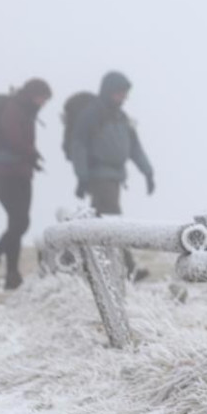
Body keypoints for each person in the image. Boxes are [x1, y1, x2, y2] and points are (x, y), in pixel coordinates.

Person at [69, 71, 155, 279]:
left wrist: (147, 172)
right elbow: (78, 145)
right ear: (108, 91)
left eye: (125, 93)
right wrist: (82, 176)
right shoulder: (92, 114)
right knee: (112, 221)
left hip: (115, 177)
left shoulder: (121, 117)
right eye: (120, 93)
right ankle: (128, 268)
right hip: (99, 176)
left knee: (101, 222)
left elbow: (134, 148)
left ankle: (90, 267)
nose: (123, 97)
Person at [0, 78, 52, 290]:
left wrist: (32, 158)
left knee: (17, 223)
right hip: (5, 174)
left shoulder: (26, 111)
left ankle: (10, 273)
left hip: (21, 173)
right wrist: (32, 154)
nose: (43, 104)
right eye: (42, 98)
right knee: (19, 222)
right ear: (32, 94)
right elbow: (13, 138)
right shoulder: (14, 109)